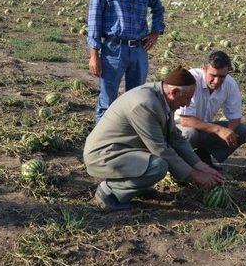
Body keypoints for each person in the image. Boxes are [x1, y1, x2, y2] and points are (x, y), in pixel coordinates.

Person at [83, 67, 224, 211]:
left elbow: (175, 138)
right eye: (187, 98)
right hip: (103, 155)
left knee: (156, 163)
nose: (187, 104)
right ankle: (109, 192)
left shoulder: (165, 97)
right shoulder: (145, 104)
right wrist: (194, 175)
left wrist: (199, 165)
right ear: (174, 92)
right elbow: (161, 150)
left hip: (123, 149)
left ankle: (137, 187)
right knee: (158, 166)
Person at [87, 0, 165, 122]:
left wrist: (155, 32)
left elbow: (158, 9)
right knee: (108, 102)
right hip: (113, 50)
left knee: (136, 101)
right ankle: (103, 145)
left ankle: (127, 142)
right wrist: (94, 55)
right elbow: (94, 20)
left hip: (139, 50)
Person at [175, 50, 246, 170]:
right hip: (177, 129)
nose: (217, 81)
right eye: (213, 75)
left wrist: (228, 133)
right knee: (189, 133)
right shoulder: (191, 79)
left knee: (243, 131)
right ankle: (179, 167)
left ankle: (203, 156)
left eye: (222, 76)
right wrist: (219, 130)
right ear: (204, 69)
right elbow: (185, 120)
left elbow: (235, 118)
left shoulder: (230, 84)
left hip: (205, 128)